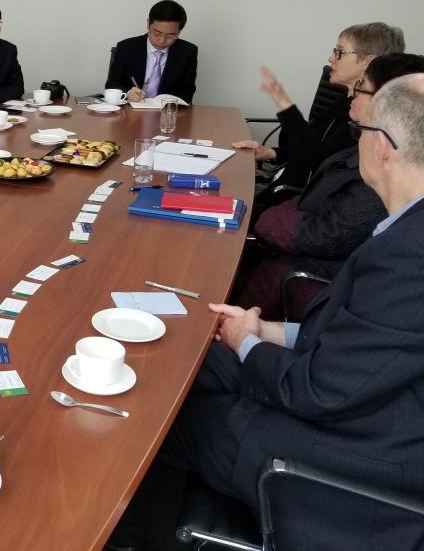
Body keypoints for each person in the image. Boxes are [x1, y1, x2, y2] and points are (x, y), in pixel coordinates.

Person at [111, 74, 424, 551]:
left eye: (360, 133)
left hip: (356, 455)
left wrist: (247, 342)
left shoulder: (410, 254)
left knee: (159, 416)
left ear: (382, 146)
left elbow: (320, 392)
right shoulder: (408, 230)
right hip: (358, 395)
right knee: (176, 359)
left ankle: (128, 539)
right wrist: (272, 332)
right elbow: (376, 345)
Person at [235, 53, 424, 320]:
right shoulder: (353, 129)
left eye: (360, 88)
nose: (352, 95)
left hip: (299, 266)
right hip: (288, 232)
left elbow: (327, 233)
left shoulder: (383, 177)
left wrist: (269, 218)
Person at [233, 21, 404, 189]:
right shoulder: (345, 100)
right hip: (280, 182)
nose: (331, 58)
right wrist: (270, 153)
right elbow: (314, 148)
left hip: (293, 197)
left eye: (340, 52)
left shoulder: (365, 117)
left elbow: (321, 161)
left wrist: (284, 103)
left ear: (369, 62)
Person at [105, 0, 197, 103]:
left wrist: (165, 103)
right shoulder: (126, 48)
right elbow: (112, 85)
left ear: (179, 32)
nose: (162, 41)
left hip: (166, 110)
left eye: (170, 36)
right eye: (157, 33)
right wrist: (128, 93)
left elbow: (187, 93)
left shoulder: (188, 52)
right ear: (148, 24)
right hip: (131, 109)